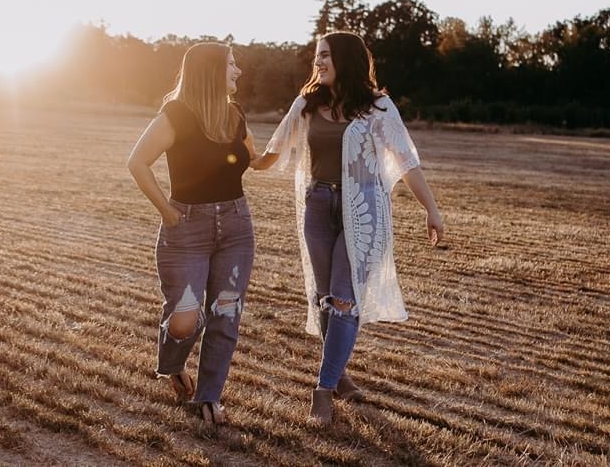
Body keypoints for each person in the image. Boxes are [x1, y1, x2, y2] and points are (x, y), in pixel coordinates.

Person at [250, 31, 444, 424]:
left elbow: (407, 162)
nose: (318, 63)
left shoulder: (378, 108)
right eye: (316, 57)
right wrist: (236, 151)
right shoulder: (306, 104)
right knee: (325, 297)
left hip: (364, 211)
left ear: (345, 59)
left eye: (325, 56)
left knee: (343, 298)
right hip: (318, 207)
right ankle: (340, 375)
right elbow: (272, 153)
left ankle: (322, 389)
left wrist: (431, 209)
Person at [127, 42, 255, 427]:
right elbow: (137, 162)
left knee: (225, 314)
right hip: (186, 228)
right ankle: (172, 365)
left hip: (236, 225)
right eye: (232, 64)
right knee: (184, 318)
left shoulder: (234, 115)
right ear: (210, 71)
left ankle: (208, 398)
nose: (239, 71)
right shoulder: (176, 114)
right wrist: (167, 211)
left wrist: (294, 134)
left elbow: (257, 159)